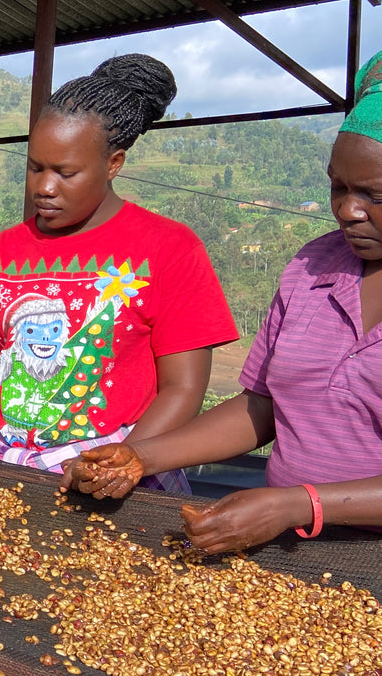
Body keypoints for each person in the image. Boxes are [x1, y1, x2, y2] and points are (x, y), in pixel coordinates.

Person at [0, 55, 238, 503]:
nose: (44, 187)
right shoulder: (1, 255)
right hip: (15, 474)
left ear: (113, 163)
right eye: (36, 167)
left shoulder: (168, 248)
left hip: (126, 480)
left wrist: (121, 460)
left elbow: (184, 388)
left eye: (66, 173)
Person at [60, 49, 382, 553]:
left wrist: (300, 503)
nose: (348, 210)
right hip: (290, 547)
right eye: (337, 187)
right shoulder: (312, 268)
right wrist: (140, 456)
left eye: (374, 195)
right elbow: (264, 406)